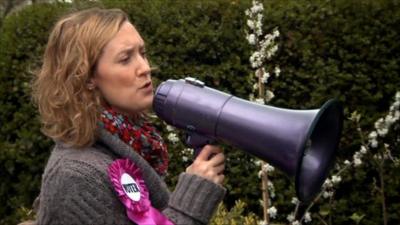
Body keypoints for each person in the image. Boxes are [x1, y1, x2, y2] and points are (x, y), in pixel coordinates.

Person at [31, 7, 226, 225]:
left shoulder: (127, 144)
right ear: (85, 77)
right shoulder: (76, 176)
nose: (145, 68)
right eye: (125, 59)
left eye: (142, 53)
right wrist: (191, 201)